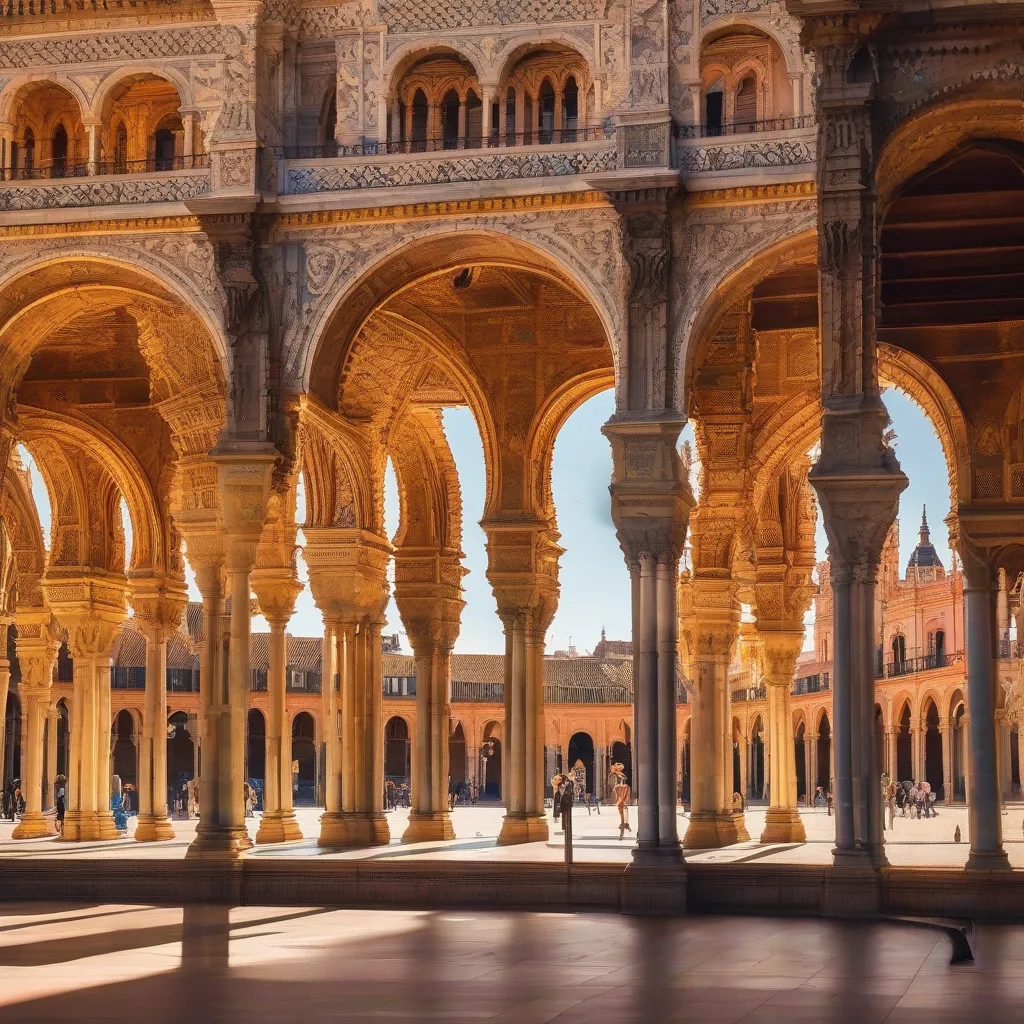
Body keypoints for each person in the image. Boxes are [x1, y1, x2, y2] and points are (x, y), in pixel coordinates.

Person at [611, 763, 631, 839]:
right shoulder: (616, 775)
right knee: (622, 807)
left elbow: (622, 783)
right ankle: (624, 822)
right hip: (620, 791)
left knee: (622, 807)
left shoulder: (620, 775)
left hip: (622, 791)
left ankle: (624, 822)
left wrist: (618, 786)